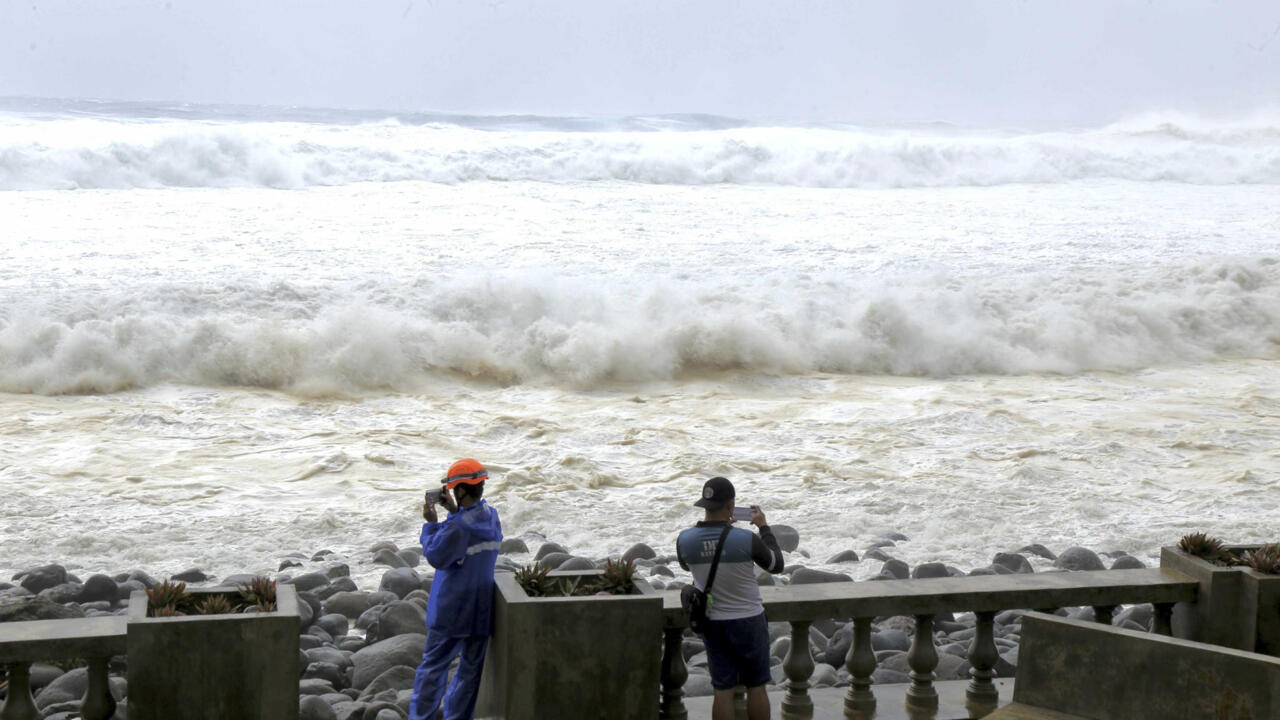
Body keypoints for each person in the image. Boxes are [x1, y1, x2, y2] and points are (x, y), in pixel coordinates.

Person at [676, 476, 785, 720]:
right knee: (756, 687)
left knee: (722, 690)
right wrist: (764, 527)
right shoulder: (746, 539)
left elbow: (686, 566)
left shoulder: (684, 540)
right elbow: (777, 565)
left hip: (713, 622)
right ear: (731, 505)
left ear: (704, 506)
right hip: (749, 620)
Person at [409, 458, 503, 720]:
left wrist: (430, 524)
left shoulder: (458, 526)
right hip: (480, 610)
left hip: (451, 609)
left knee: (432, 670)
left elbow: (437, 555)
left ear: (461, 490)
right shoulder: (492, 517)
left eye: (453, 490)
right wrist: (453, 511)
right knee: (470, 672)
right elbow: (468, 533)